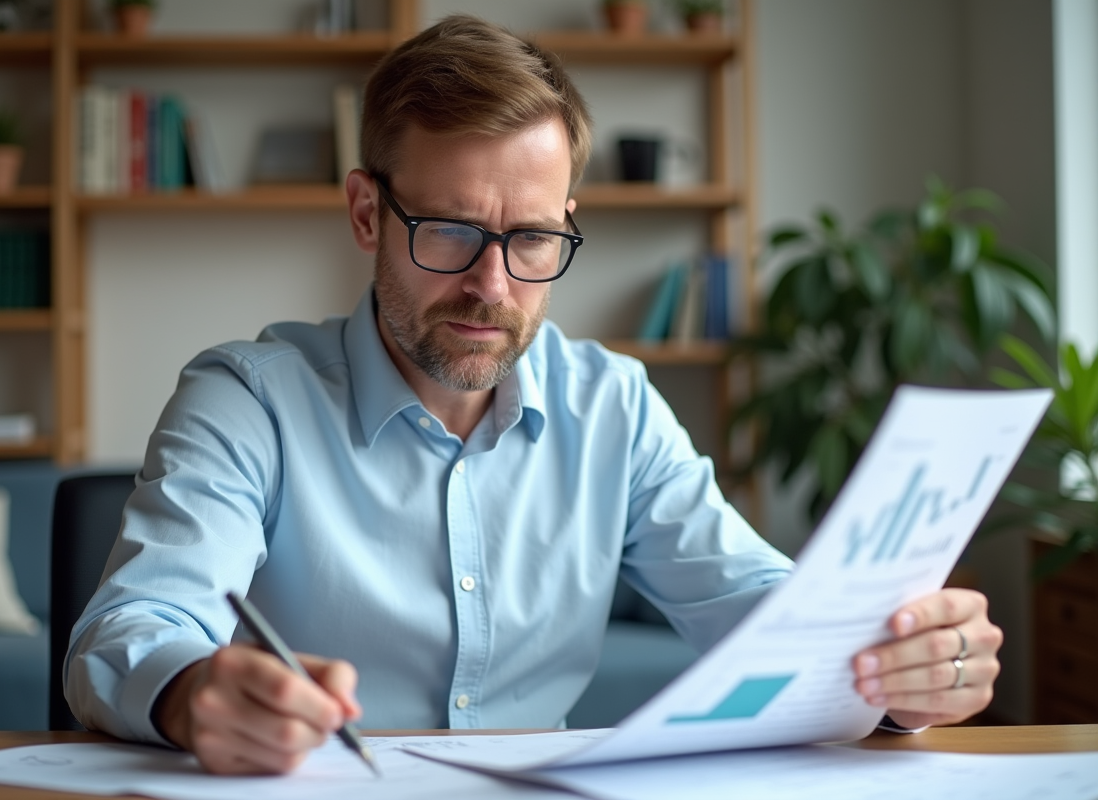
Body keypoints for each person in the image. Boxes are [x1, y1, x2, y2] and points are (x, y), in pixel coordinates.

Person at [66, 15, 1003, 776]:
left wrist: (896, 668)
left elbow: (764, 612)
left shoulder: (617, 408)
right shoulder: (247, 401)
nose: (494, 286)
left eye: (532, 239)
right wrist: (193, 693)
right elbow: (130, 629)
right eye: (449, 233)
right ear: (365, 213)